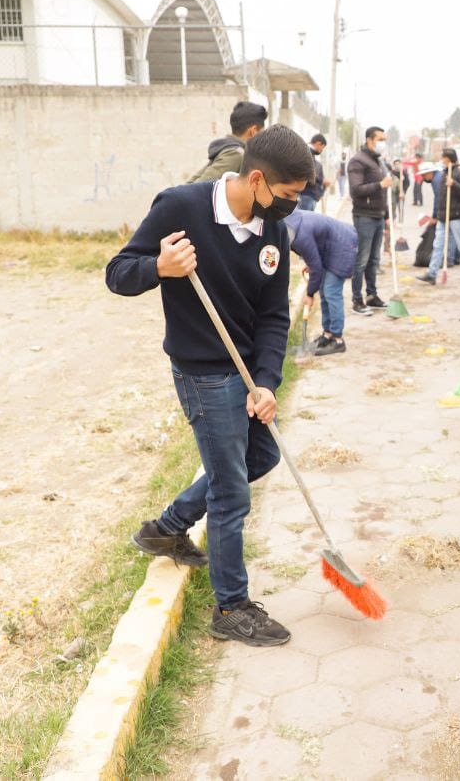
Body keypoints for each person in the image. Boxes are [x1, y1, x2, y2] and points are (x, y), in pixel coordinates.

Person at [107, 125, 313, 647]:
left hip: (247, 373)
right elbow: (118, 272)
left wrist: (267, 381)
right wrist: (160, 266)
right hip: (203, 371)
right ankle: (231, 608)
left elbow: (273, 314)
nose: (291, 207)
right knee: (230, 492)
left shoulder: (273, 231)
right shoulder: (182, 207)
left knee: (259, 458)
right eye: (288, 196)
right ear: (259, 179)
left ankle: (167, 527)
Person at [284, 209, 358, 356]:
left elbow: (316, 268)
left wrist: (310, 294)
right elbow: (314, 259)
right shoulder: (287, 225)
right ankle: (328, 334)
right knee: (325, 292)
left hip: (343, 245)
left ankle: (338, 340)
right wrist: (311, 262)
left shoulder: (299, 236)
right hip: (330, 248)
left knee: (331, 292)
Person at [348, 127, 392, 315]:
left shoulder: (378, 162)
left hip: (378, 215)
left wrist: (387, 216)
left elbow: (384, 194)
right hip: (364, 216)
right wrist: (379, 184)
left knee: (374, 259)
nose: (383, 142)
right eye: (380, 139)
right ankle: (357, 299)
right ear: (369, 140)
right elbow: (355, 190)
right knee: (362, 260)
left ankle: (372, 295)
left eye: (385, 139)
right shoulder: (358, 161)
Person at [416, 148, 460, 285]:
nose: (441, 160)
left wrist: (453, 184)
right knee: (438, 245)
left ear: (448, 158)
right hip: (444, 216)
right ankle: (432, 274)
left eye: (442, 158)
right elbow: (440, 198)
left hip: (457, 215)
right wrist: (437, 215)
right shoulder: (444, 173)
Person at [188, 101, 267, 183]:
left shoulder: (229, 149)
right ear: (253, 131)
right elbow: (197, 189)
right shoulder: (236, 154)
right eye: (262, 132)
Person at [296, 134, 331, 211]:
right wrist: (322, 181)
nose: (321, 150)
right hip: (306, 194)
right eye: (322, 148)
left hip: (308, 195)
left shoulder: (310, 153)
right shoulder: (307, 153)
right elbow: (307, 173)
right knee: (305, 221)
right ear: (318, 143)